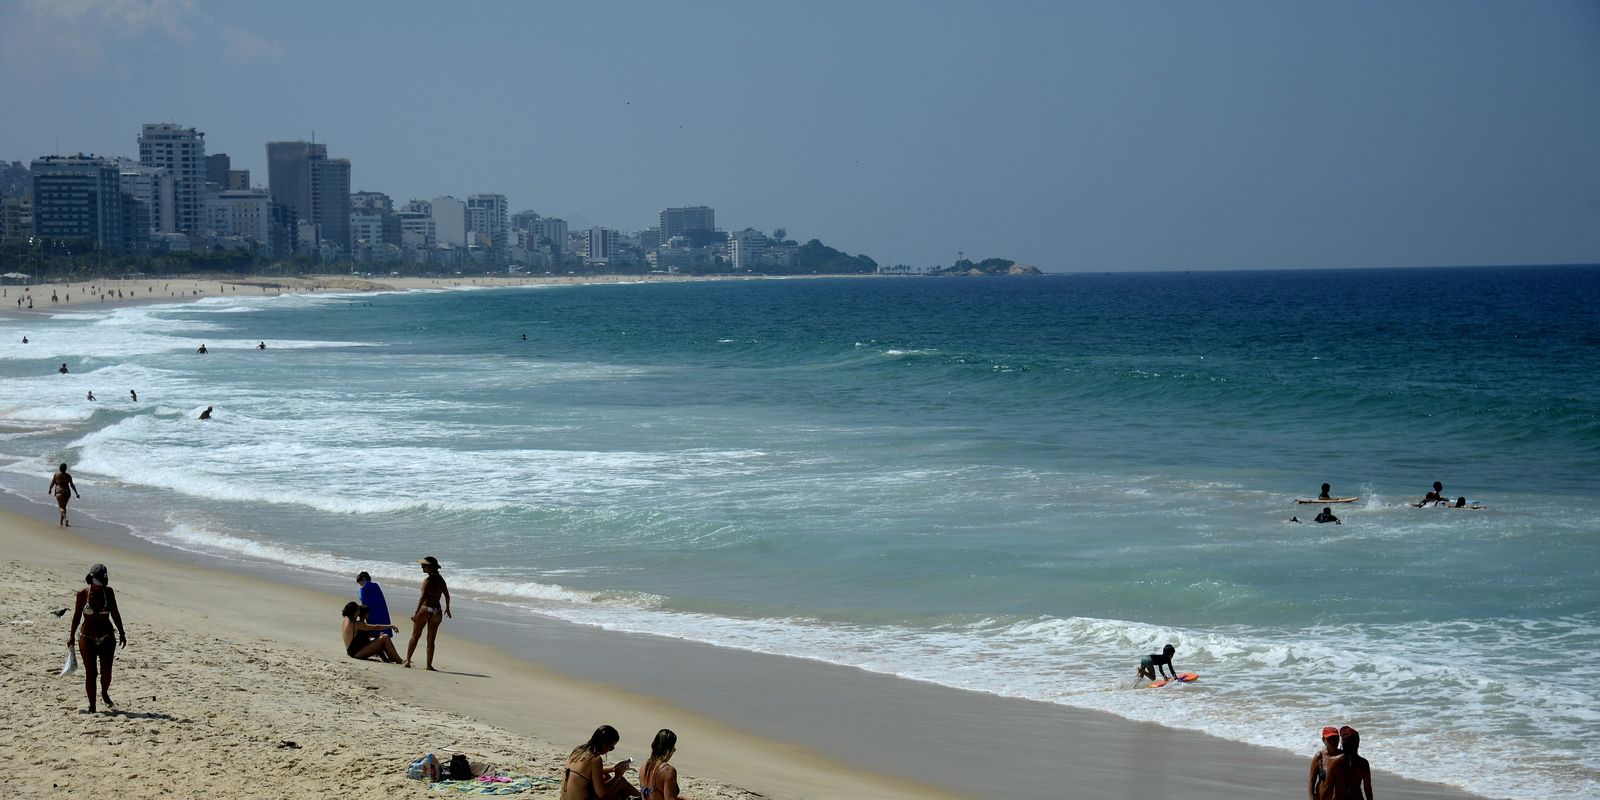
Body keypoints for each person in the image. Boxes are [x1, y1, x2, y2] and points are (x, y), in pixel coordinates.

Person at [68, 564, 126, 713]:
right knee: (91, 673)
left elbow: (115, 613)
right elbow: (76, 616)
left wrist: (122, 632)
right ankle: (92, 706)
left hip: (107, 637)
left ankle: (104, 692)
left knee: (106, 672)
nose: (101, 585)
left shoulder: (109, 592)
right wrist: (71, 636)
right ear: (92, 579)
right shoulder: (82, 594)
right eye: (99, 581)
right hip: (87, 637)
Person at [561, 725, 637, 800]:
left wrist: (613, 768)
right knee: (621, 782)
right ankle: (644, 797)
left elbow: (589, 772)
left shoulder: (578, 751)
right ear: (605, 744)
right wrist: (618, 776)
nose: (609, 750)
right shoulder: (595, 759)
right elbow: (601, 793)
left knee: (605, 777)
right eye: (611, 748)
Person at [403, 556, 452, 670]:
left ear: (430, 567)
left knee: (415, 636)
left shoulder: (428, 580)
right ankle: (429, 665)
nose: (422, 568)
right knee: (431, 639)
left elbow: (423, 597)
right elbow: (447, 595)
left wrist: (416, 612)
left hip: (425, 609)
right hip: (437, 612)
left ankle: (408, 661)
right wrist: (447, 608)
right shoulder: (441, 579)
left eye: (424, 566)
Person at [1326, 725, 1373, 800]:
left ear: (1342, 744)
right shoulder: (1364, 763)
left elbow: (1328, 788)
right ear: (1357, 744)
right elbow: (1367, 789)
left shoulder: (1333, 761)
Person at [641, 729, 683, 800]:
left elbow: (649, 795)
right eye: (673, 749)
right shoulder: (668, 771)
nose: (674, 751)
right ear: (668, 750)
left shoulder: (643, 767)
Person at [1308, 726, 1342, 800]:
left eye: (1335, 738)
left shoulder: (1344, 756)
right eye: (1330, 739)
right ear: (1323, 740)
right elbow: (1312, 781)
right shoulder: (1319, 756)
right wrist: (1312, 797)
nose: (1333, 741)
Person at [48, 462, 81, 527]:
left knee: (61, 507)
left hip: (59, 492)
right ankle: (62, 522)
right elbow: (72, 485)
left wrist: (50, 489)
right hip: (67, 492)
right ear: (66, 469)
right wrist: (76, 493)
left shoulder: (56, 475)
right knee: (64, 507)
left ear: (60, 468)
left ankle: (65, 519)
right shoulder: (68, 476)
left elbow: (52, 483)